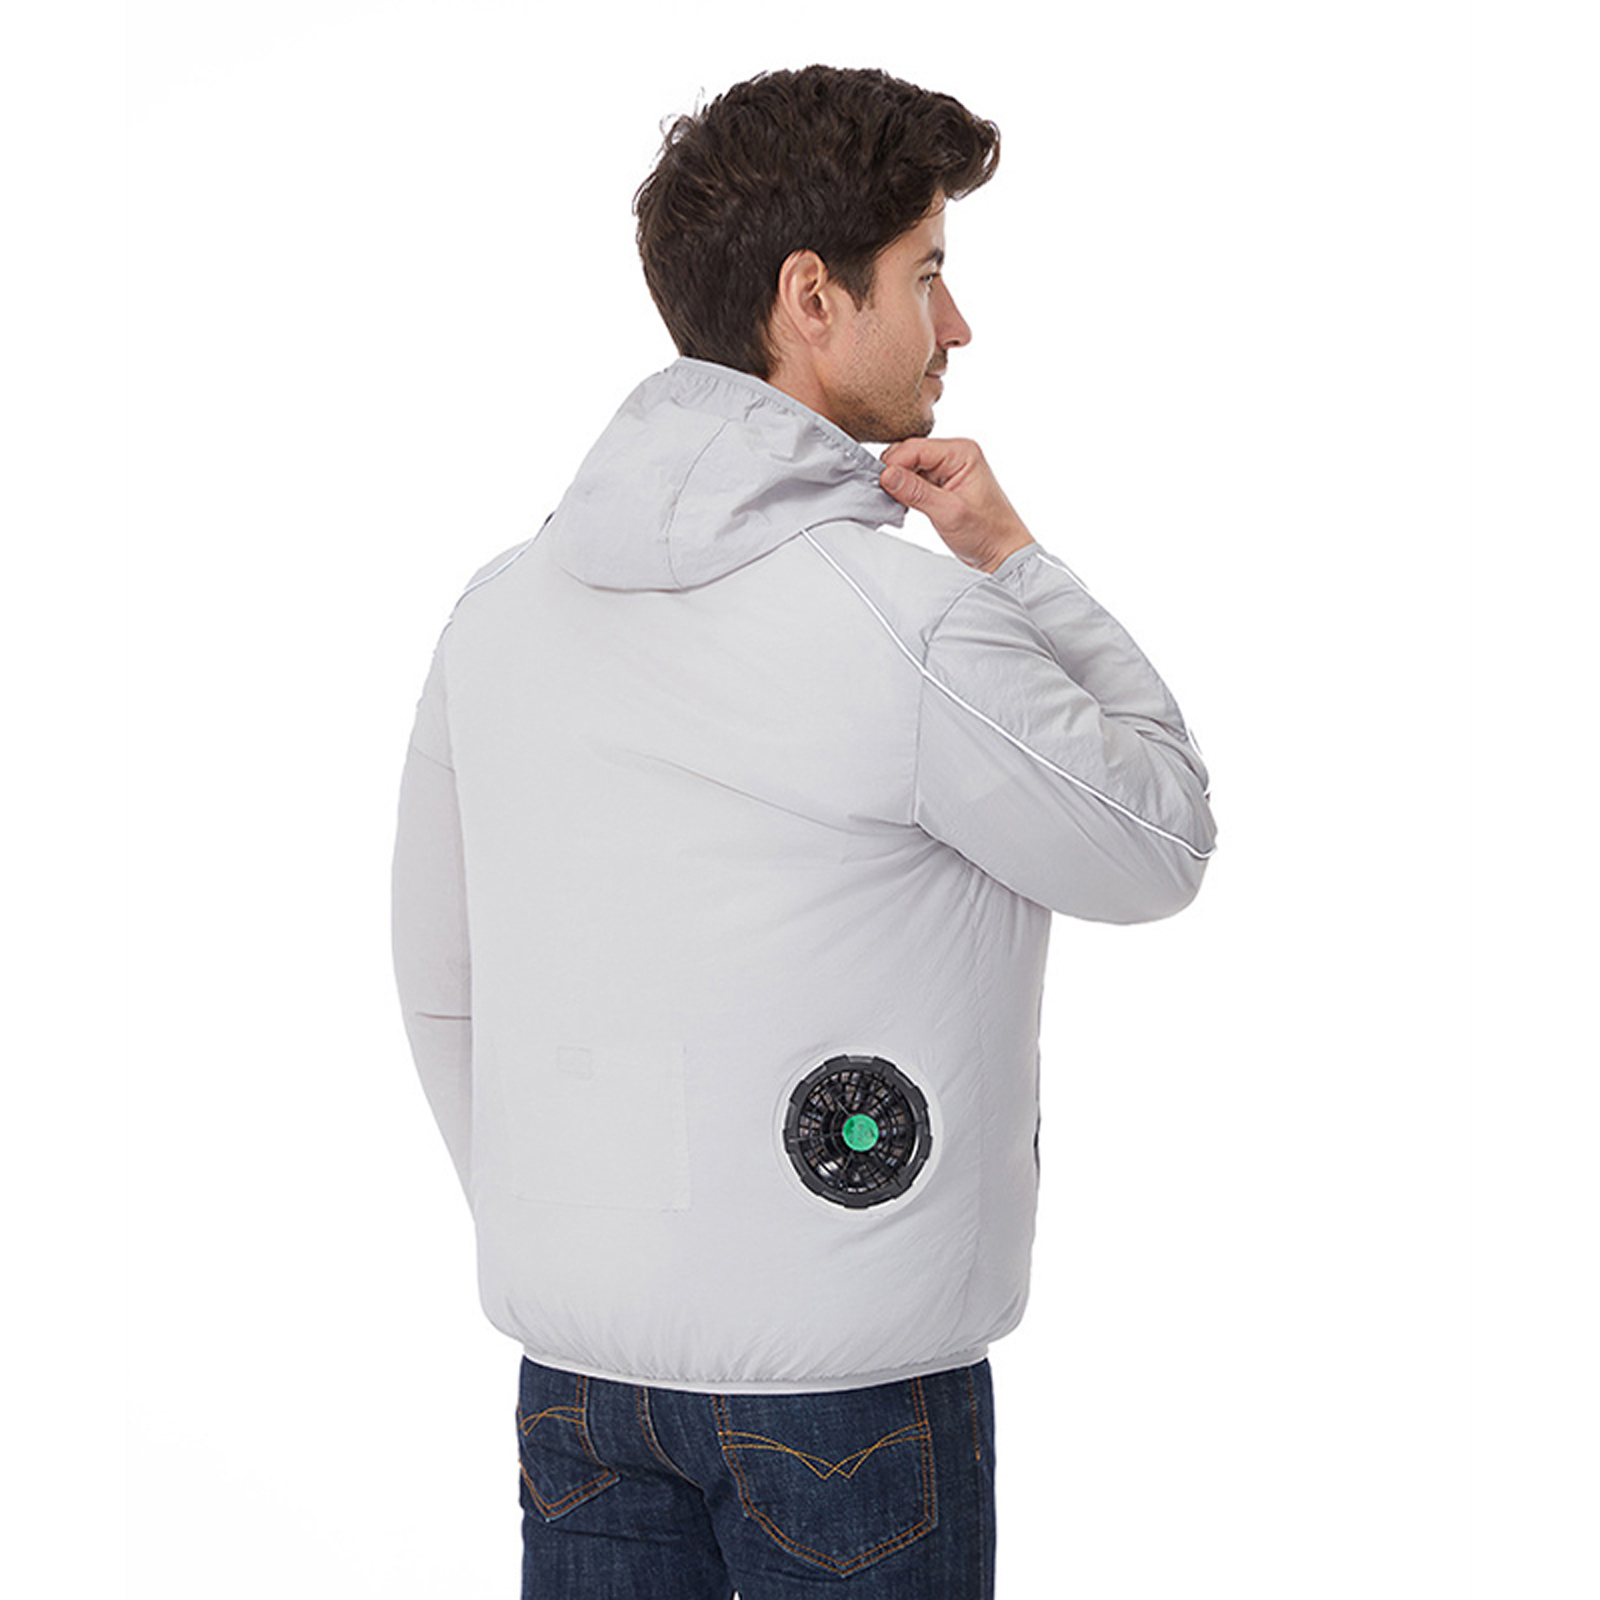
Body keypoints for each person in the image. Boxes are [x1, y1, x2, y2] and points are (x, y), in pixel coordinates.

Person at [391, 64, 1216, 1600]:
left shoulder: (497, 616)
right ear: (812, 300)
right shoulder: (913, 627)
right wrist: (1014, 559)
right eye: (929, 275)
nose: (957, 326)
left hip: (577, 1376)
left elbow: (442, 980)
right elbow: (1159, 834)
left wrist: (567, 1218)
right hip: (846, 1393)